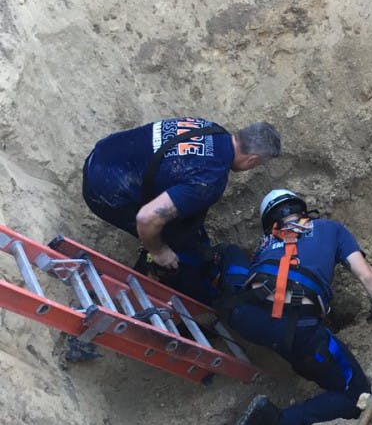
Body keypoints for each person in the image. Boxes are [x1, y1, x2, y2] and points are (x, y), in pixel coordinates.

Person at [218, 188, 372, 425]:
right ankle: (275, 423)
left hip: (245, 317)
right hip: (300, 333)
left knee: (229, 253)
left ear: (269, 221)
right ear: (301, 209)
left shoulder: (264, 243)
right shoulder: (331, 229)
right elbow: (367, 277)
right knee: (356, 395)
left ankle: (202, 294)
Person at [82, 117, 281, 302]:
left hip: (102, 155)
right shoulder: (210, 180)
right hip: (103, 192)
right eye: (257, 165)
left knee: (187, 220)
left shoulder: (210, 128)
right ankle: (147, 278)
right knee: (172, 244)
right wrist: (159, 251)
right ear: (252, 160)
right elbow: (146, 218)